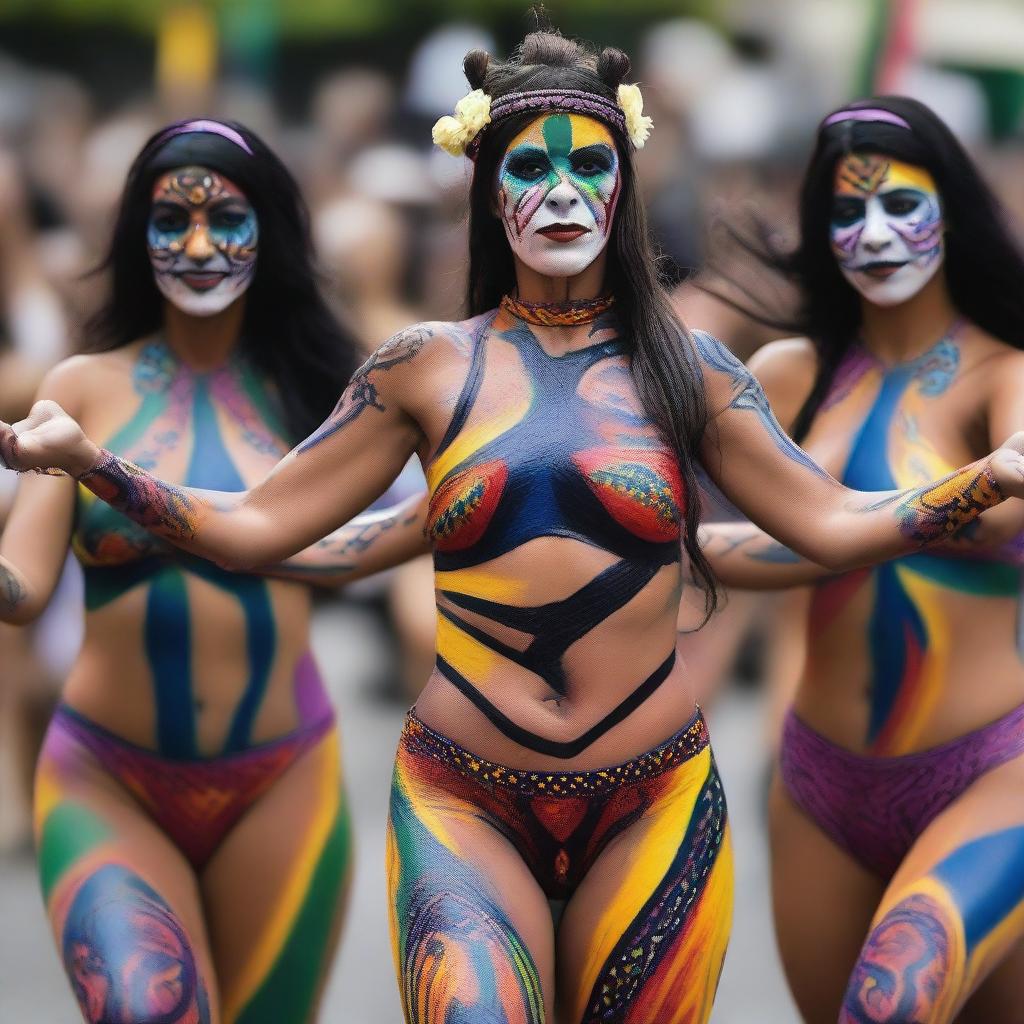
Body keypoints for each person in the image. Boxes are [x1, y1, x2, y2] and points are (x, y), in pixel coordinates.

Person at [5, 44, 1024, 1023]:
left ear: (622, 185)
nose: (562, 191)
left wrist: (981, 481)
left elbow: (832, 522)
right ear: (490, 191)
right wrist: (96, 464)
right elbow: (260, 523)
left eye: (590, 164)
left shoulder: (693, 368)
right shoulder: (421, 366)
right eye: (529, 167)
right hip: (463, 798)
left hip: (654, 800)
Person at [0, 118, 424, 1024]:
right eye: (168, 223)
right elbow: (22, 590)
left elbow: (354, 559)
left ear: (267, 231)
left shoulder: (318, 389)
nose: (196, 246)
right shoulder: (79, 388)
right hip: (106, 781)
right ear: (135, 238)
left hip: (282, 783)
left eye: (225, 219)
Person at [697, 97, 1024, 1023]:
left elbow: (1004, 514)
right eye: (846, 213)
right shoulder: (796, 376)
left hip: (995, 771)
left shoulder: (1006, 374)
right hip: (821, 785)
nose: (873, 232)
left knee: (893, 1001)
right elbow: (702, 539)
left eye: (899, 205)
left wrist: (711, 550)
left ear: (952, 210)